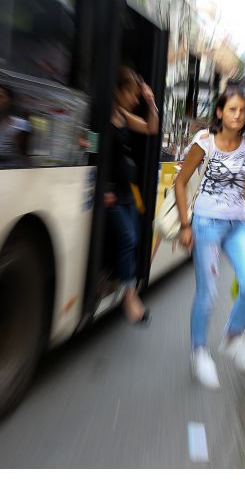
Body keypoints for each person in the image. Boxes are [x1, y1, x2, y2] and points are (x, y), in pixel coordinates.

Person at [173, 86, 245, 389]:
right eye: (232, 109)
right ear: (220, 112)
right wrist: (185, 225)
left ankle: (233, 337)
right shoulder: (204, 142)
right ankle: (199, 351)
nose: (238, 115)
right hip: (205, 225)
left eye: (242, 110)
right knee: (208, 293)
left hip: (236, 227)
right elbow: (180, 183)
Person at [105, 66, 159, 325]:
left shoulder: (123, 116)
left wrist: (151, 102)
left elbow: (151, 128)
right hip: (112, 194)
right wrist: (104, 188)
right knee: (127, 238)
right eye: (132, 94)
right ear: (118, 90)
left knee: (135, 238)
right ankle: (129, 297)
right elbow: (96, 152)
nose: (135, 99)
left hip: (128, 192)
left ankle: (120, 283)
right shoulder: (103, 116)